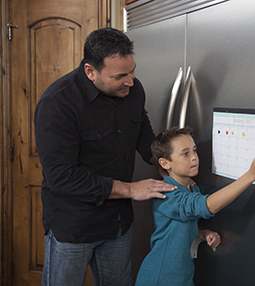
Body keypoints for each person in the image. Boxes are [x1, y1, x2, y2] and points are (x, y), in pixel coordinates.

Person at [34, 28, 177, 286]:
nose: (131, 81)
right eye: (120, 76)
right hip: (73, 226)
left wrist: (165, 162)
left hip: (117, 224)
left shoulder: (133, 89)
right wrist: (131, 189)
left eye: (132, 70)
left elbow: (143, 134)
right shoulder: (57, 103)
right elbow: (62, 177)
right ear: (90, 71)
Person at [135, 126, 255, 286]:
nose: (194, 157)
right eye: (185, 154)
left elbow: (180, 226)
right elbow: (208, 206)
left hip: (183, 274)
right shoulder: (166, 194)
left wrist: (203, 232)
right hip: (160, 277)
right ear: (165, 163)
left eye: (194, 150)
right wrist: (250, 175)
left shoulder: (192, 188)